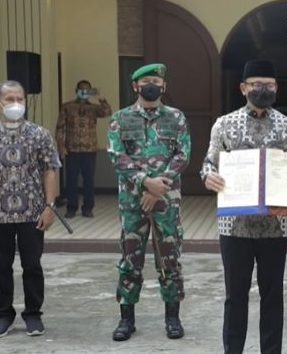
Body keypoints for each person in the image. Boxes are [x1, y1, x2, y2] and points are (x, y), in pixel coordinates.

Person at [201, 59, 287, 354]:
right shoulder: (224, 124)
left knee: (273, 295)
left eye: (269, 85)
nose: (263, 89)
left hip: (276, 225)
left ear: (277, 88)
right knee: (235, 296)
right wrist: (208, 176)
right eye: (256, 85)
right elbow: (209, 163)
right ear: (243, 88)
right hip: (234, 224)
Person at [107, 63, 191, 341]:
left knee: (170, 255)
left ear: (164, 86)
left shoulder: (176, 117)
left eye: (156, 80)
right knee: (131, 256)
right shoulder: (121, 118)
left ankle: (173, 318)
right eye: (146, 81)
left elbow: (183, 154)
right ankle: (126, 319)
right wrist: (145, 182)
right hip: (132, 199)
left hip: (166, 198)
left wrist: (157, 187)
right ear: (135, 86)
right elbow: (117, 157)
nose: (151, 85)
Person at [0, 80, 61, 337]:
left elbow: (50, 170)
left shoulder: (39, 134)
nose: (15, 104)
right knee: (1, 266)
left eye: (19, 99)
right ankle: (4, 313)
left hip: (32, 211)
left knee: (32, 265)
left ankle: (33, 314)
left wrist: (49, 206)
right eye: (9, 99)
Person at [55, 80, 112, 218]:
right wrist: (61, 146)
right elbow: (60, 127)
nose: (84, 92)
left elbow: (108, 112)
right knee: (71, 180)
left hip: (89, 149)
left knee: (89, 180)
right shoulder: (67, 107)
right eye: (82, 89)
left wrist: (101, 98)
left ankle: (88, 208)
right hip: (72, 149)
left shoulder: (94, 108)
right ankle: (71, 208)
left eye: (87, 90)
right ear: (76, 91)